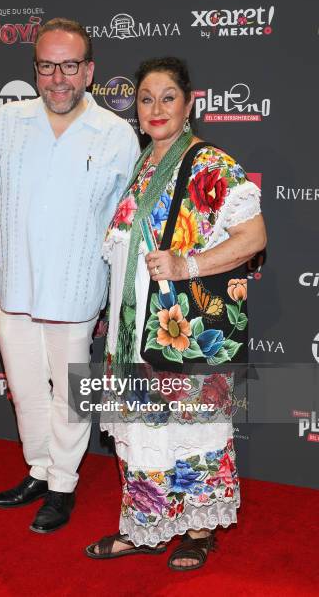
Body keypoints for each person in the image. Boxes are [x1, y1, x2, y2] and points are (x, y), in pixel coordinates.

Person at [86, 57, 266, 569]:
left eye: (168, 97)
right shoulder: (144, 165)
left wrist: (188, 264)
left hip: (179, 332)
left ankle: (200, 528)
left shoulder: (210, 164)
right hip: (132, 333)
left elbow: (253, 239)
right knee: (143, 433)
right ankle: (145, 524)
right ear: (136, 110)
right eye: (146, 98)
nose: (156, 108)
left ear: (189, 104)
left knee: (191, 429)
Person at [0, 17, 139, 534]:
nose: (57, 78)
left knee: (71, 391)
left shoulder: (115, 135)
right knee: (26, 388)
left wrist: (118, 295)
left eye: (69, 66)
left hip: (77, 291)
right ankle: (39, 471)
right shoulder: (5, 123)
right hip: (12, 288)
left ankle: (63, 483)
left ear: (89, 71)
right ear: (35, 69)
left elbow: (122, 228)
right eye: (47, 66)